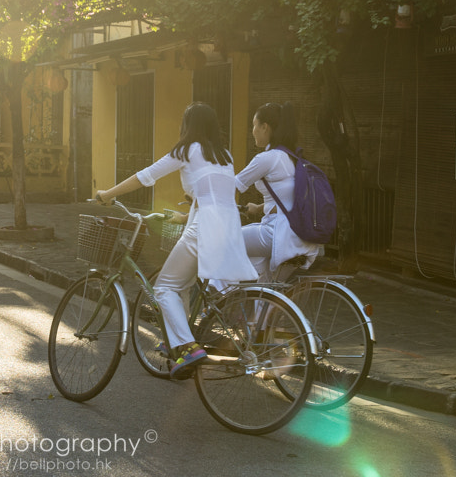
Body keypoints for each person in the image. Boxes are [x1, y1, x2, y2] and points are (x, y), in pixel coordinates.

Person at [95, 103, 256, 379]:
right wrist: (184, 215)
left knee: (164, 287)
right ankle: (179, 344)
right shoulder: (225, 155)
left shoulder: (187, 150)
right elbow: (213, 195)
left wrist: (108, 193)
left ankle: (188, 346)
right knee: (182, 286)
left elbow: (146, 176)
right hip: (228, 230)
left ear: (188, 126)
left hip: (204, 229)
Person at [234, 102, 321, 281]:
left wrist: (201, 200)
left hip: (278, 234)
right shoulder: (292, 157)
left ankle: (218, 298)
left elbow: (230, 187)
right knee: (265, 294)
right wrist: (258, 208)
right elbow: (287, 200)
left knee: (226, 241)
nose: (253, 131)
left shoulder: (267, 158)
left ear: (264, 127)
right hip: (301, 237)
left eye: (254, 126)